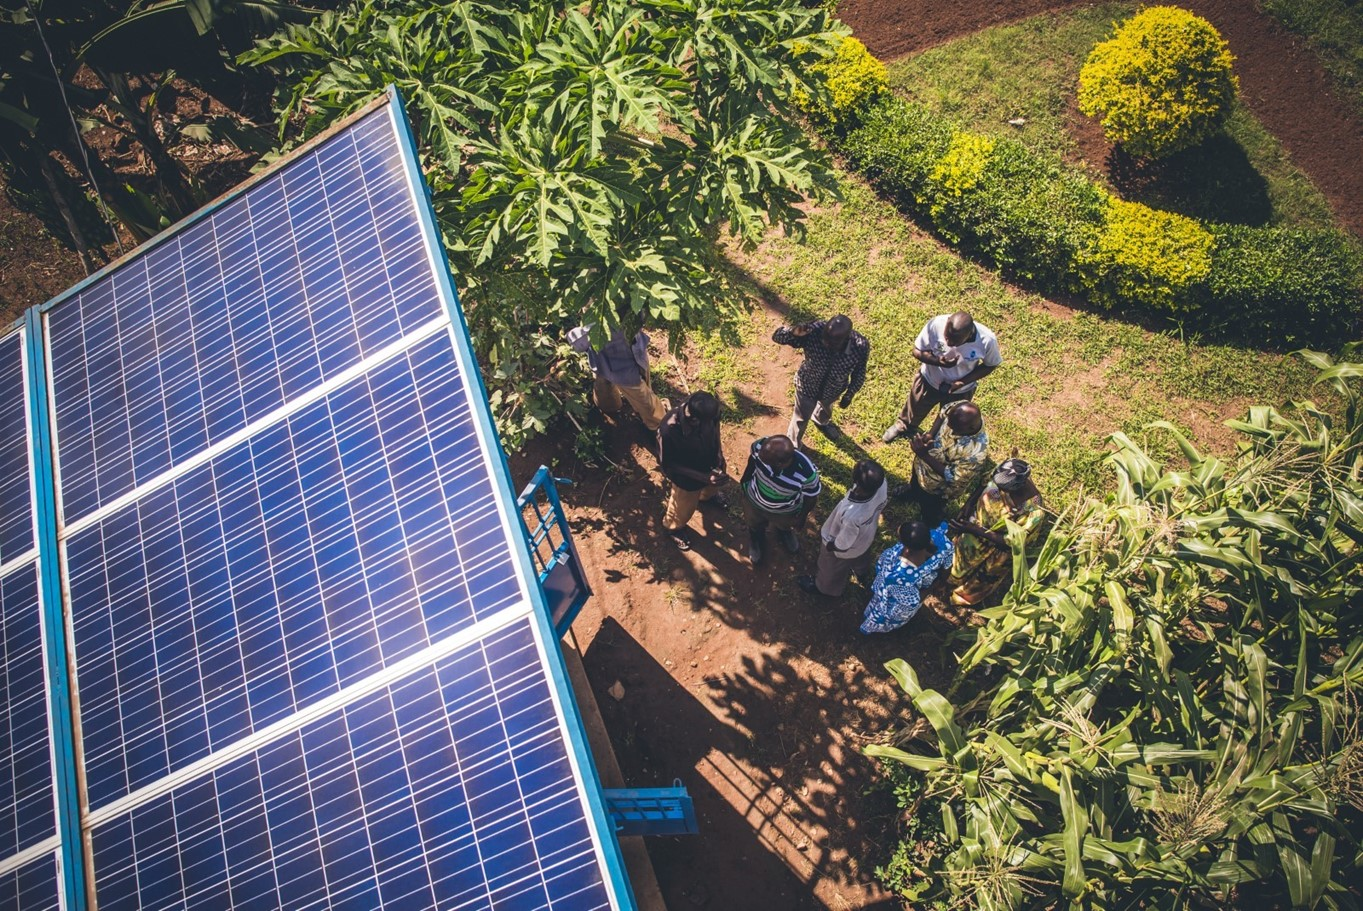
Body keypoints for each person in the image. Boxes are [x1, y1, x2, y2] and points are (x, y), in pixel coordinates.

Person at [883, 311, 1000, 443]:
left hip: (960, 391)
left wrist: (962, 382)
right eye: (946, 337)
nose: (949, 343)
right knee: (916, 405)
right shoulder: (936, 324)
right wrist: (937, 361)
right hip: (929, 379)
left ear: (969, 335)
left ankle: (937, 439)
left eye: (955, 341)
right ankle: (904, 425)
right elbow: (917, 350)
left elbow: (991, 365)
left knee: (950, 419)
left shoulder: (987, 340)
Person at [948, 456, 1047, 607]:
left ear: (1017, 486)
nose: (998, 489)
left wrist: (973, 529)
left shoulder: (1033, 511)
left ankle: (961, 601)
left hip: (997, 549)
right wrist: (969, 504)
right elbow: (983, 485)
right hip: (972, 533)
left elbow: (1012, 542)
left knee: (981, 579)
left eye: (1003, 489)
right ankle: (949, 581)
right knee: (959, 561)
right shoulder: (1003, 472)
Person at [772, 315, 870, 448]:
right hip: (807, 385)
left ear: (846, 339)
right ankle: (793, 445)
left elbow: (859, 372)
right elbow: (777, 337)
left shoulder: (859, 346)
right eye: (825, 339)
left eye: (831, 343)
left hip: (833, 389)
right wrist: (793, 332)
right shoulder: (813, 331)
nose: (826, 344)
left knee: (826, 409)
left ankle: (821, 421)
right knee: (800, 417)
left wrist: (850, 393)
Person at [797, 459, 888, 597]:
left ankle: (824, 588)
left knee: (830, 568)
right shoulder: (881, 485)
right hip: (866, 538)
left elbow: (843, 544)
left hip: (844, 551)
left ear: (856, 480)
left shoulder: (852, 516)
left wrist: (832, 546)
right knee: (861, 558)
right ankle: (861, 573)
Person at [893, 401, 989, 525]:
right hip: (922, 465)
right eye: (949, 423)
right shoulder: (959, 409)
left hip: (937, 487)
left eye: (954, 428)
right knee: (915, 481)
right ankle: (913, 492)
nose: (949, 428)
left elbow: (953, 477)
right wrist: (930, 434)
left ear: (970, 428)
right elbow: (943, 412)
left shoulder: (976, 453)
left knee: (930, 507)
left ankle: (930, 520)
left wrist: (924, 455)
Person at [657, 392, 730, 551]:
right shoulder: (669, 430)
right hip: (687, 480)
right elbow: (668, 464)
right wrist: (703, 477)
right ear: (694, 420)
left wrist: (719, 454)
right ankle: (674, 528)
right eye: (708, 421)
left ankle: (707, 497)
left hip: (711, 465)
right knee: (681, 509)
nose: (713, 422)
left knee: (711, 489)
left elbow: (716, 428)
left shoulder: (709, 414)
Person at [740, 435, 821, 567]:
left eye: (764, 460)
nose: (759, 457)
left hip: (785, 509)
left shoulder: (806, 473)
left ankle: (784, 531)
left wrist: (802, 517)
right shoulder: (760, 447)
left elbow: (811, 496)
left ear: (779, 464)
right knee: (753, 523)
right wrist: (744, 482)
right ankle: (756, 538)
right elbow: (752, 461)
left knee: (784, 523)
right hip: (754, 500)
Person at [860, 520, 954, 634]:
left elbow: (914, 600)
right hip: (922, 584)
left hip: (900, 600)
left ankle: (881, 628)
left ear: (905, 545)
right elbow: (947, 568)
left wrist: (931, 588)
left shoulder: (900, 576)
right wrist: (939, 582)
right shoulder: (945, 543)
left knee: (890, 614)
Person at [568, 324, 668, 431]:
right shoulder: (627, 314)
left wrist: (571, 336)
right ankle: (658, 425)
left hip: (615, 363)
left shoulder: (600, 323)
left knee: (641, 397)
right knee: (643, 397)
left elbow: (578, 342)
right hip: (627, 363)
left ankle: (659, 427)